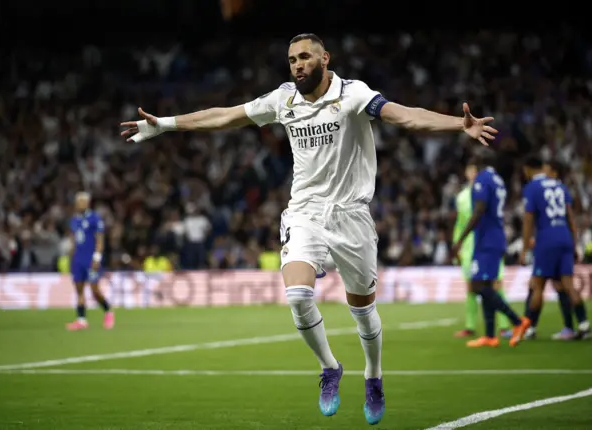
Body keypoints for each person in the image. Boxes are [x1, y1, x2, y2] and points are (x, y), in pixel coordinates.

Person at [120, 33, 496, 425]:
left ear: (324, 59)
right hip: (305, 213)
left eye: (304, 57)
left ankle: (373, 375)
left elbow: (405, 115)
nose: (297, 65)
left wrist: (458, 124)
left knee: (363, 312)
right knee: (298, 296)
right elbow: (224, 115)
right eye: (291, 60)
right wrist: (164, 124)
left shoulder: (352, 94)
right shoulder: (283, 100)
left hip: (352, 215)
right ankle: (330, 368)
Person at [450, 149, 531, 348]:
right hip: (495, 236)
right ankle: (489, 335)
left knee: (478, 286)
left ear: (478, 163)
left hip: (486, 240)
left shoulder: (482, 180)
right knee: (485, 284)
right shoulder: (497, 179)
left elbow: (479, 210)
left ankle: (517, 321)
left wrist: (460, 239)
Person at [520, 155, 592, 340]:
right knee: (568, 285)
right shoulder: (560, 186)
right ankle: (584, 326)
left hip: (546, 239)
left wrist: (524, 248)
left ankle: (529, 329)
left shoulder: (532, 188)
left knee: (537, 286)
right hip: (565, 238)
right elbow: (570, 218)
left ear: (528, 170)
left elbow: (528, 220)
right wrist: (575, 245)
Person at [452, 160, 512, 339]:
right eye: (468, 169)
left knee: (495, 283)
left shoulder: (488, 187)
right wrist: (457, 243)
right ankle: (470, 326)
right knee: (471, 286)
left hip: (487, 241)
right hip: (469, 246)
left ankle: (505, 326)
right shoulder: (462, 196)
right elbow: (460, 223)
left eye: (473, 169)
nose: (471, 172)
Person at [66, 192, 114, 331]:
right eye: (78, 201)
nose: (79, 204)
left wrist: (97, 257)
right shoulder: (74, 220)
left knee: (94, 290)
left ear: (87, 203)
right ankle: (81, 320)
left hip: (90, 259)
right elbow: (73, 240)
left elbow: (100, 239)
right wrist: (71, 258)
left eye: (82, 201)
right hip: (78, 259)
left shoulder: (94, 219)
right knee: (79, 290)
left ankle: (108, 311)